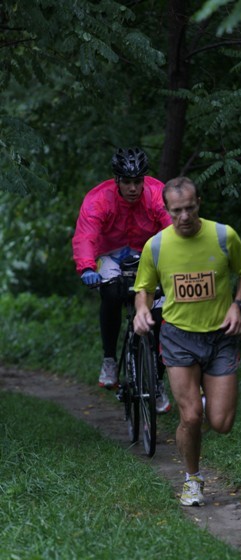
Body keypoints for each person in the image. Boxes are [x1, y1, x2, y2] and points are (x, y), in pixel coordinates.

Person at [133, 176, 241, 506]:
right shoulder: (156, 246)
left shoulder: (222, 236)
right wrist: (141, 310)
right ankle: (192, 479)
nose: (184, 216)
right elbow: (143, 289)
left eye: (189, 208)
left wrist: (237, 305)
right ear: (167, 209)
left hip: (220, 337)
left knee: (221, 423)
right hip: (178, 337)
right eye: (177, 211)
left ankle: (202, 406)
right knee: (189, 418)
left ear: (199, 203)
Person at [72, 147, 172, 413]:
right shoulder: (98, 199)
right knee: (112, 293)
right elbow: (86, 236)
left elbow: (173, 231)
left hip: (147, 255)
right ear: (116, 180)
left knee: (160, 312)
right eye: (126, 182)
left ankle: (157, 382)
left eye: (137, 182)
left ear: (144, 180)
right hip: (110, 256)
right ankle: (109, 360)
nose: (132, 188)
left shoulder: (157, 194)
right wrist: (86, 267)